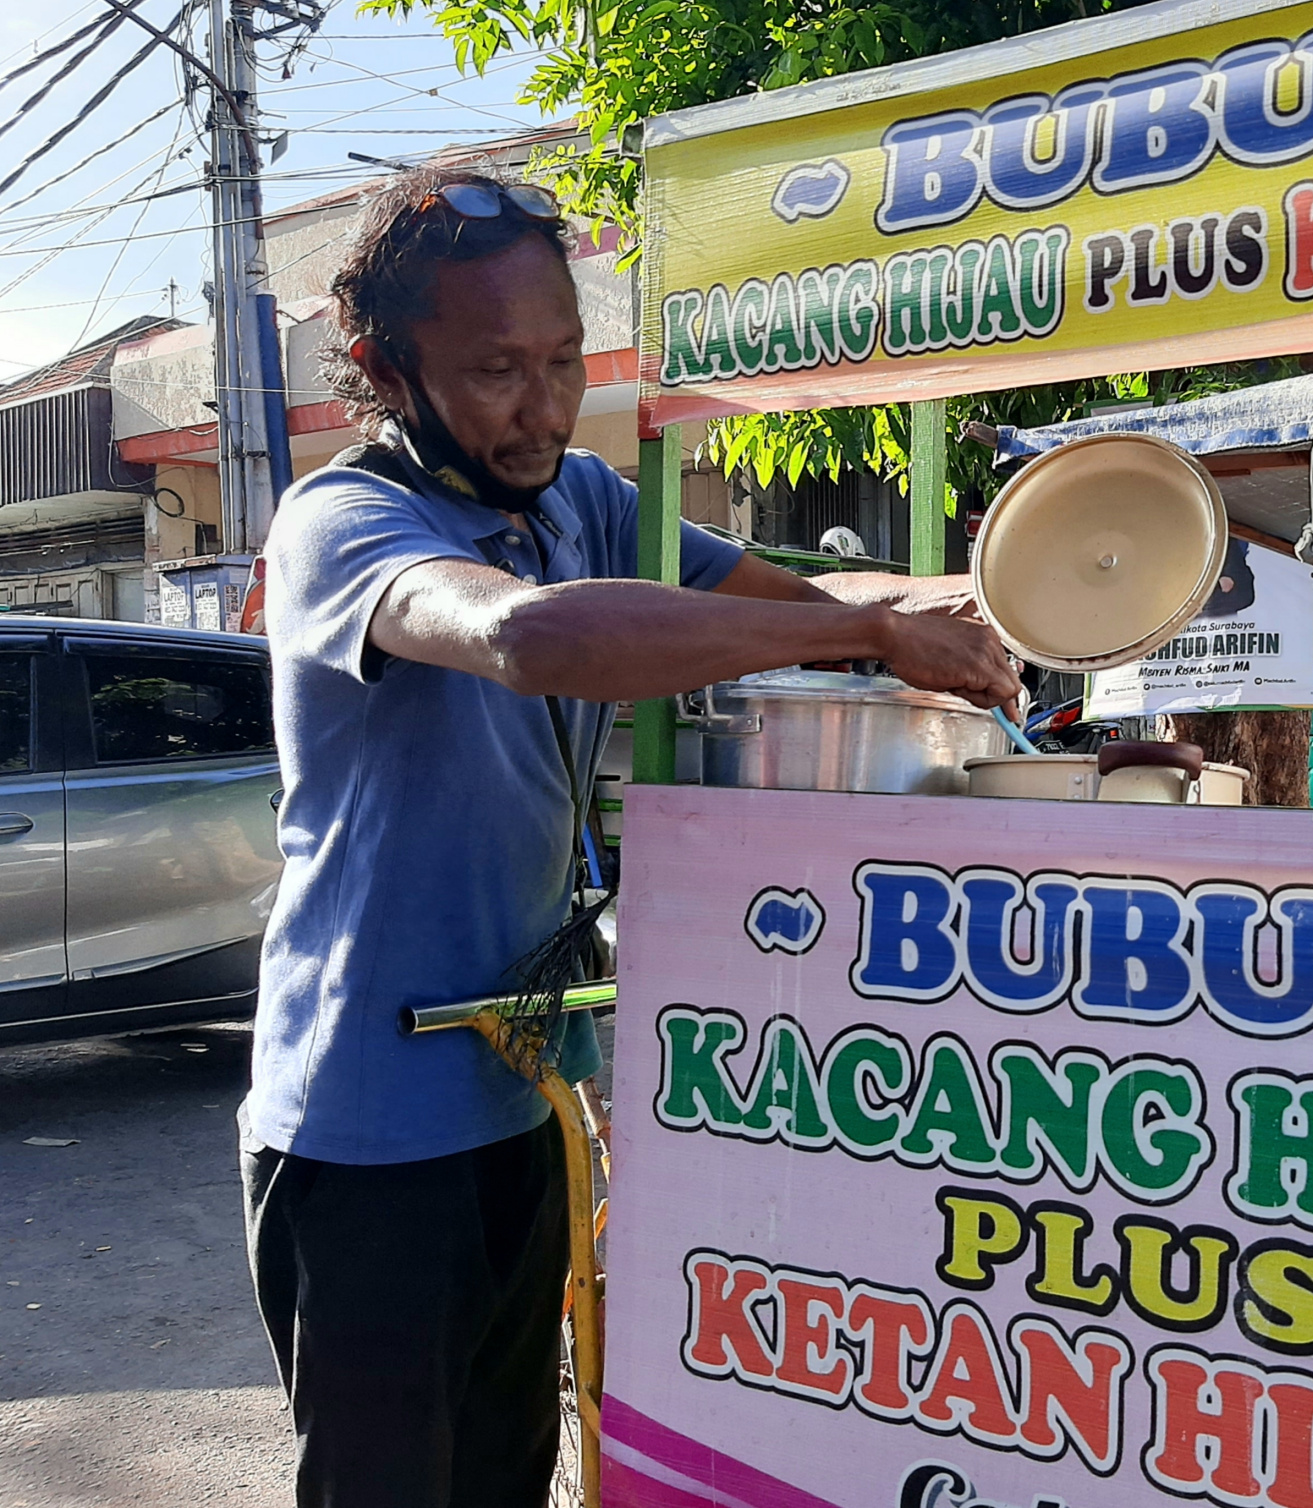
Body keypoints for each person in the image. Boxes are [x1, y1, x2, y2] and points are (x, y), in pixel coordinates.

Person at [239, 166, 1020, 1508]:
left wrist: (1004, 623)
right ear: (385, 364)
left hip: (520, 1094)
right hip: (364, 1130)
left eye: (562, 360)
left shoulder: (580, 501)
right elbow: (530, 638)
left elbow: (806, 598)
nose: (543, 407)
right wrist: (867, 632)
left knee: (505, 1477)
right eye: (495, 371)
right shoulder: (345, 523)